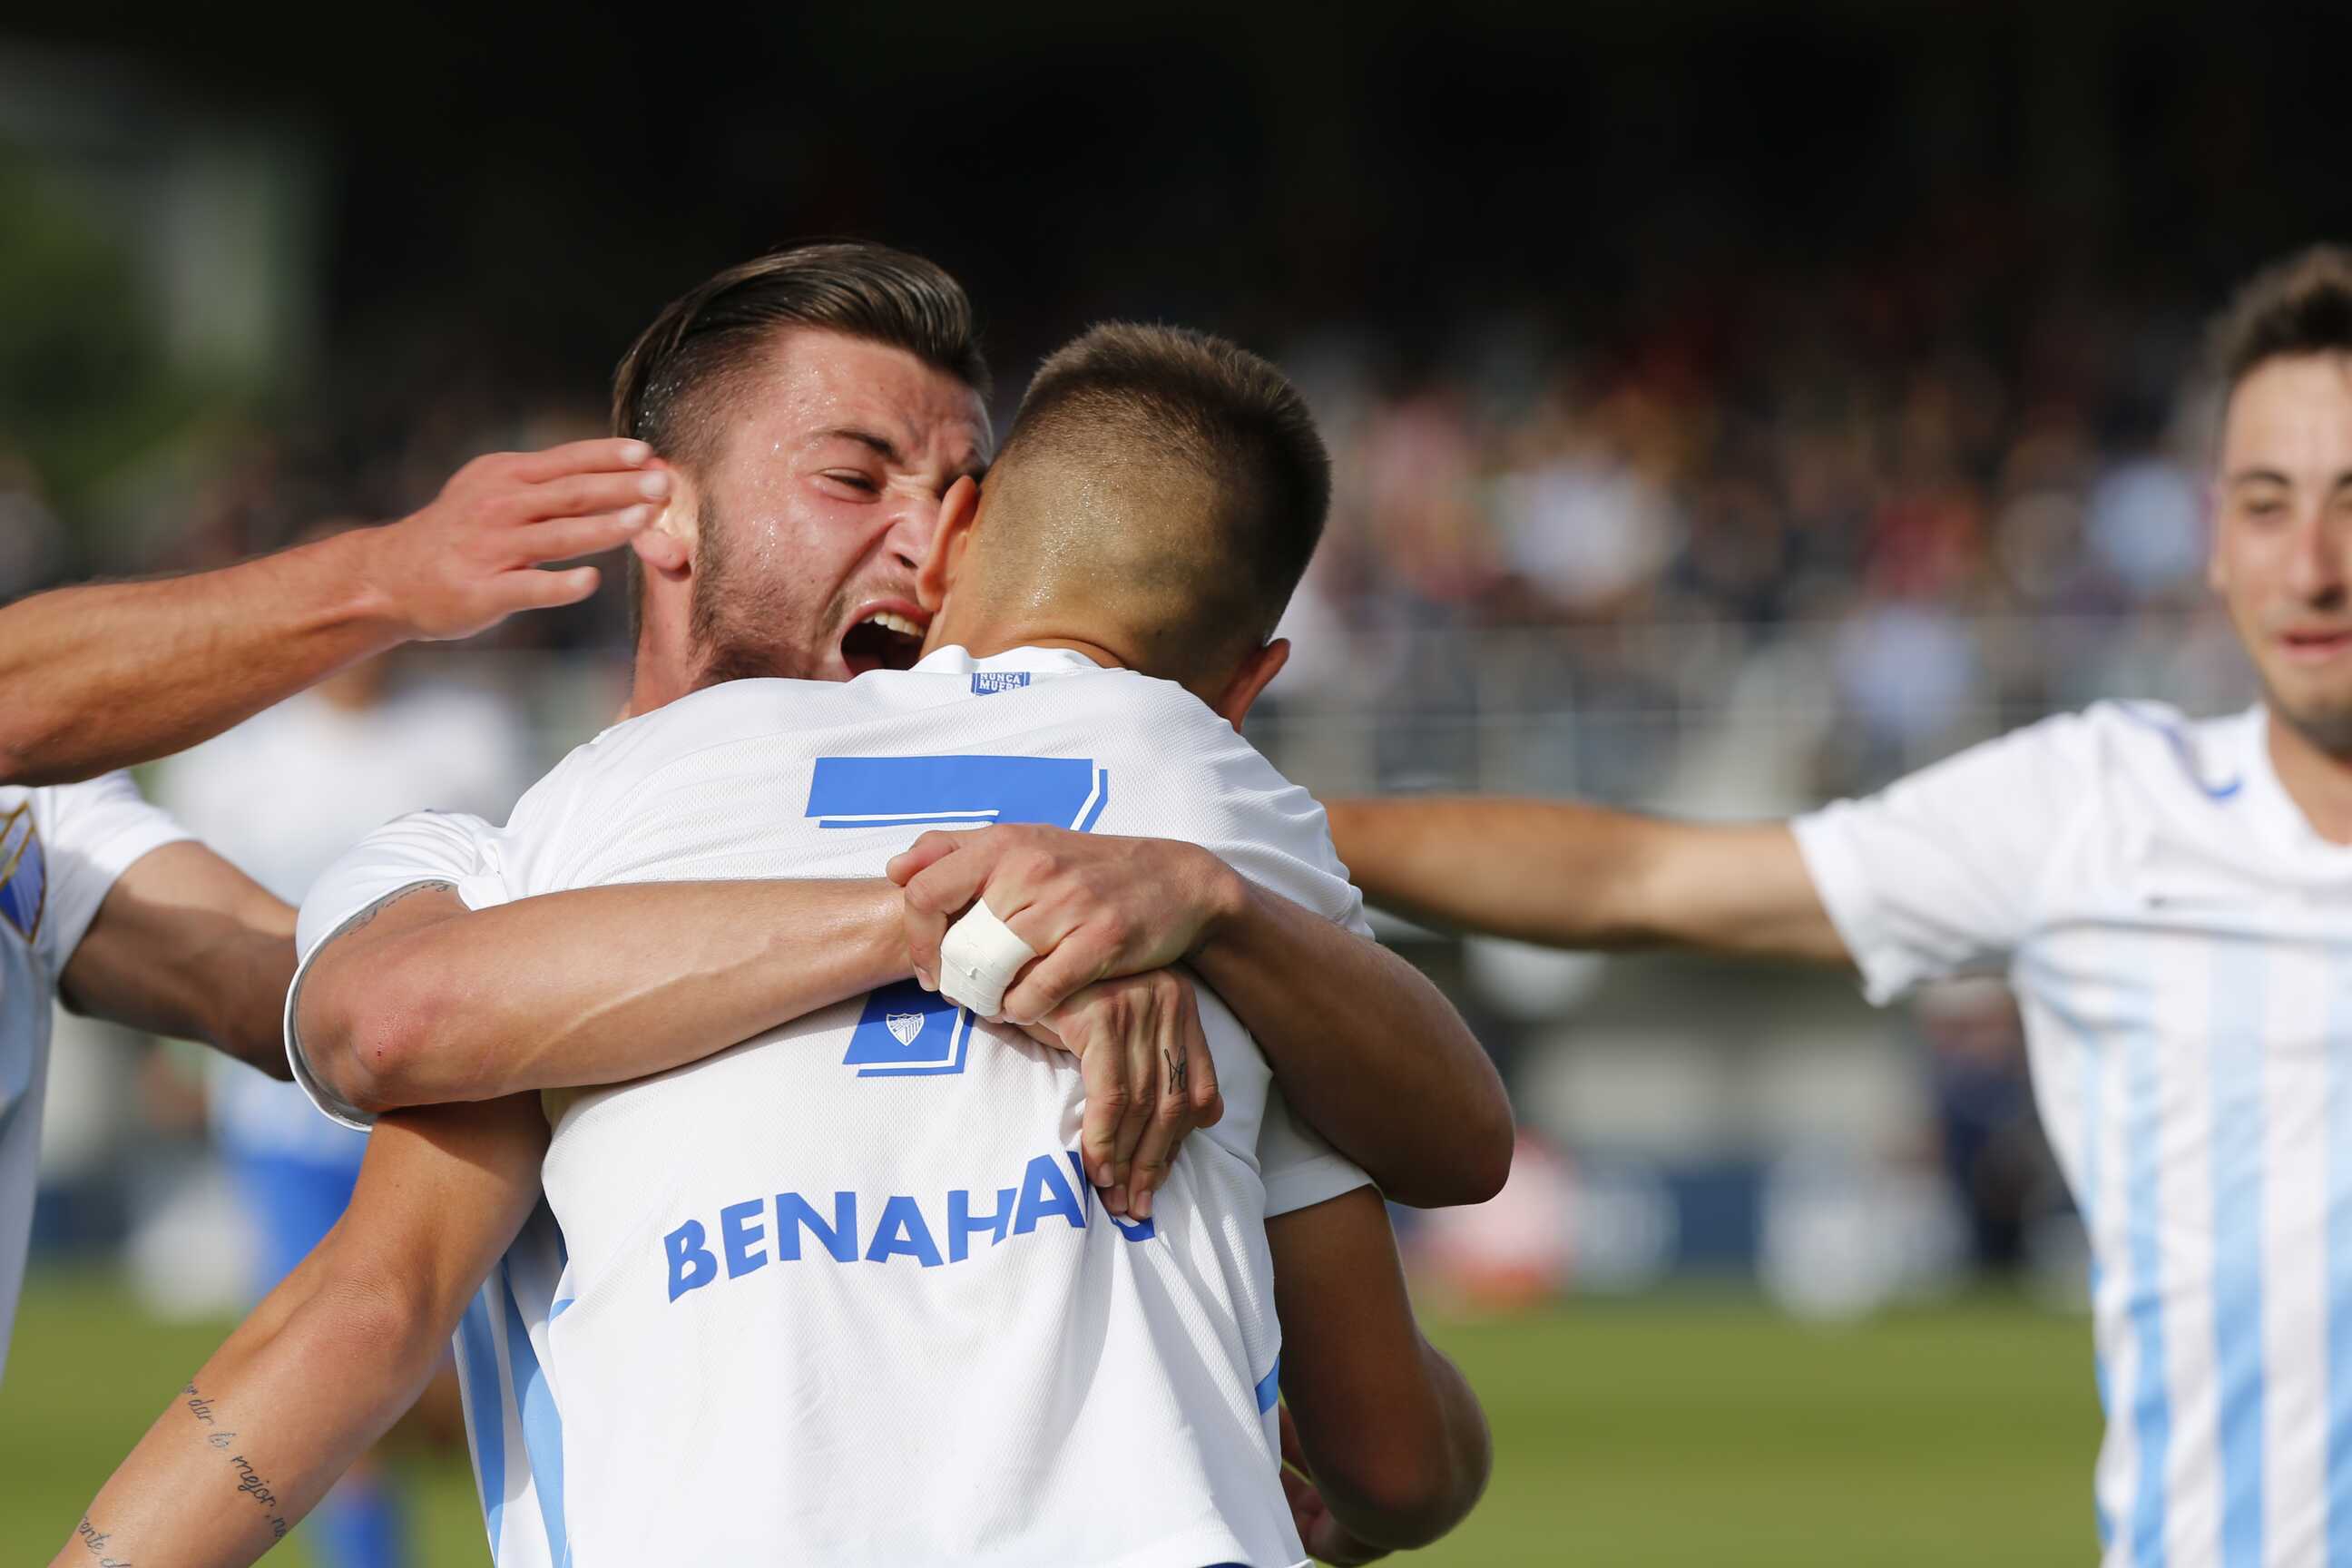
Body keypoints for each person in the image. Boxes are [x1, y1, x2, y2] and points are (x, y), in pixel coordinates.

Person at [59, 246, 1504, 1567]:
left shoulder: (1158, 862)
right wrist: (948, 921)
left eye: (957, 492)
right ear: (664, 511)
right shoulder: (538, 853)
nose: (921, 540)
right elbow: (386, 1087)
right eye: (855, 479)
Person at [1322, 243, 2352, 1566]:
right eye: (2266, 505)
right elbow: (1639, 877)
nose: (2313, 563)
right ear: (2214, 542)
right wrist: (1255, 824)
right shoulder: (2102, 811)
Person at [0, 439, 660, 1390]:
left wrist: (625, 988)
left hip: (383, 1113)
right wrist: (386, 577)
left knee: (391, 1378)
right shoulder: (227, 756)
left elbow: (283, 983)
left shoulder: (39, 814)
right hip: (275, 1137)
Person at [154, 622, 532, 1568]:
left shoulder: (470, 735)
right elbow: (190, 924)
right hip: (281, 1122)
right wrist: (182, 1055)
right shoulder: (232, 761)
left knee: (466, 1365)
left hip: (438, 1113)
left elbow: (529, 899)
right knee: (327, 1354)